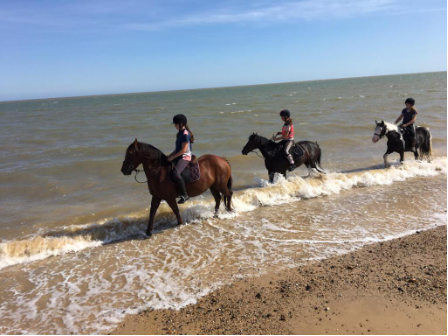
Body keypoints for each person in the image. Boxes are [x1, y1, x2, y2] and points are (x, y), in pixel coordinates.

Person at [167, 114, 195, 204]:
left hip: (185, 157)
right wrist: (169, 156)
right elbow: (177, 149)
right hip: (179, 155)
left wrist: (173, 157)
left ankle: (184, 194)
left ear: (181, 124)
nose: (175, 125)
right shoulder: (179, 133)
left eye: (175, 124)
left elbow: (183, 150)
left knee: (176, 173)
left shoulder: (186, 134)